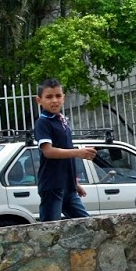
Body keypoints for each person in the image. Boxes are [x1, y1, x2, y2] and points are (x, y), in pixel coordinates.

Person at [34, 78, 96, 222]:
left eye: (58, 96)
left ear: (63, 98)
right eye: (49, 97)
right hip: (52, 185)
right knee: (50, 229)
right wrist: (78, 153)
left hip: (68, 185)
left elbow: (66, 153)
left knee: (86, 225)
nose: (54, 100)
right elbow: (48, 152)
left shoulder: (62, 121)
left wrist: (75, 183)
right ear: (39, 100)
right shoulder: (43, 122)